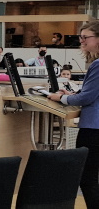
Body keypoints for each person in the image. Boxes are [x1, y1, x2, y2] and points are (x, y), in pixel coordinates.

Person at [48, 21, 99, 208]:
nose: (82, 41)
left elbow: (88, 97)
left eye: (86, 37)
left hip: (93, 129)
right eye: (81, 37)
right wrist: (74, 96)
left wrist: (61, 98)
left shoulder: (98, 65)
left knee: (88, 179)